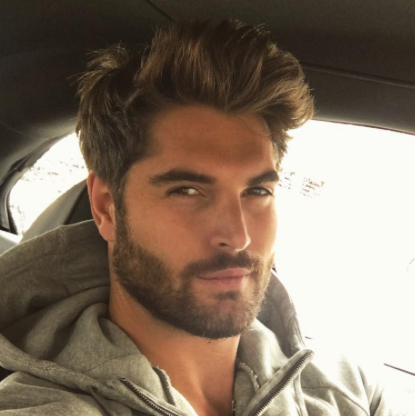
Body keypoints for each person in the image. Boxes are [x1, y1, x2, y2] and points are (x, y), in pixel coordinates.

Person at [0, 19, 411, 416]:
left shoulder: (350, 390)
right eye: (187, 191)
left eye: (257, 191)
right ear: (107, 207)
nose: (238, 236)